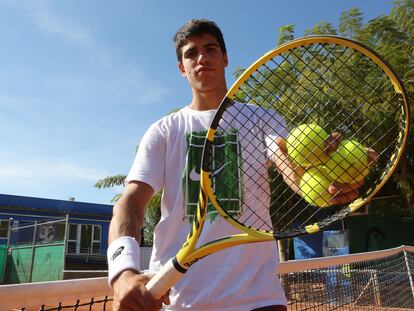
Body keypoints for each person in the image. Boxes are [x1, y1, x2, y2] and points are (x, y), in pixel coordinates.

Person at [107, 19, 366, 311]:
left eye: (210, 49)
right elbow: (130, 202)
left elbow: (290, 166)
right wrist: (123, 271)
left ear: (225, 58)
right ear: (182, 68)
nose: (201, 57)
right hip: (179, 301)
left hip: (259, 298)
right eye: (191, 53)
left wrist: (326, 180)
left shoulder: (262, 118)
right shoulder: (163, 131)